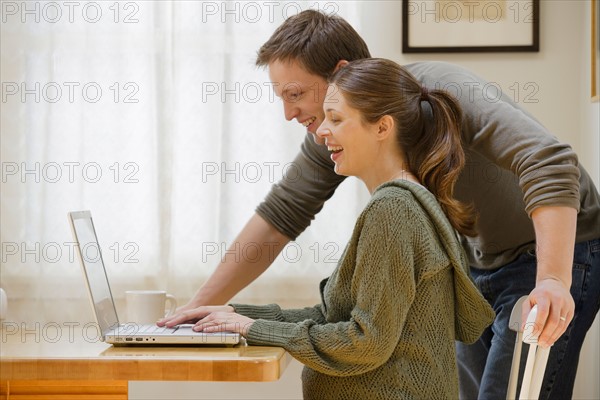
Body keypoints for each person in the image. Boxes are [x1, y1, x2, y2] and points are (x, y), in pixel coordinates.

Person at [159, 10, 600, 399]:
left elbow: (549, 161)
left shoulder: (443, 93)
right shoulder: (331, 141)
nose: (289, 114)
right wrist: (193, 314)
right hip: (474, 263)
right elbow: (279, 217)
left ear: (341, 73)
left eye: (295, 94)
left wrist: (554, 281)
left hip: (554, 251)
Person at [163, 58, 495, 399]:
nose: (322, 131)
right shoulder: (405, 202)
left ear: (382, 128)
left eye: (336, 119)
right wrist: (235, 314)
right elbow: (330, 316)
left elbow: (367, 341)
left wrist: (255, 328)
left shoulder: (394, 210)